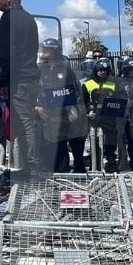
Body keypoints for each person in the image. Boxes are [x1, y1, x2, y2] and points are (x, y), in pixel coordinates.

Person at [0, 0, 42, 179]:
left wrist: (4, 81)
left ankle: (31, 166)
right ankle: (28, 164)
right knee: (26, 121)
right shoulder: (29, 18)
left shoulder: (9, 18)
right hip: (30, 77)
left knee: (24, 122)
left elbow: (8, 52)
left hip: (19, 79)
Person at [36, 37, 86, 173]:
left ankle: (78, 169)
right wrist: (37, 106)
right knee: (58, 144)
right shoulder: (40, 69)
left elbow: (74, 89)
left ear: (55, 51)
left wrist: (74, 108)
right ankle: (61, 172)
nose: (44, 51)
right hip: (48, 112)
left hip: (66, 110)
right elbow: (37, 89)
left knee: (74, 140)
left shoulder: (65, 68)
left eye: (47, 49)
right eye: (43, 48)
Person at [81, 58, 120, 172]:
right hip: (94, 117)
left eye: (105, 70)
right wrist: (88, 112)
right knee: (95, 140)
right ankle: (96, 164)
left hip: (109, 116)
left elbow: (118, 98)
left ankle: (111, 162)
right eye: (100, 70)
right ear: (96, 70)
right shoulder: (88, 83)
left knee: (111, 140)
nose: (103, 72)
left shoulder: (113, 83)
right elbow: (83, 101)